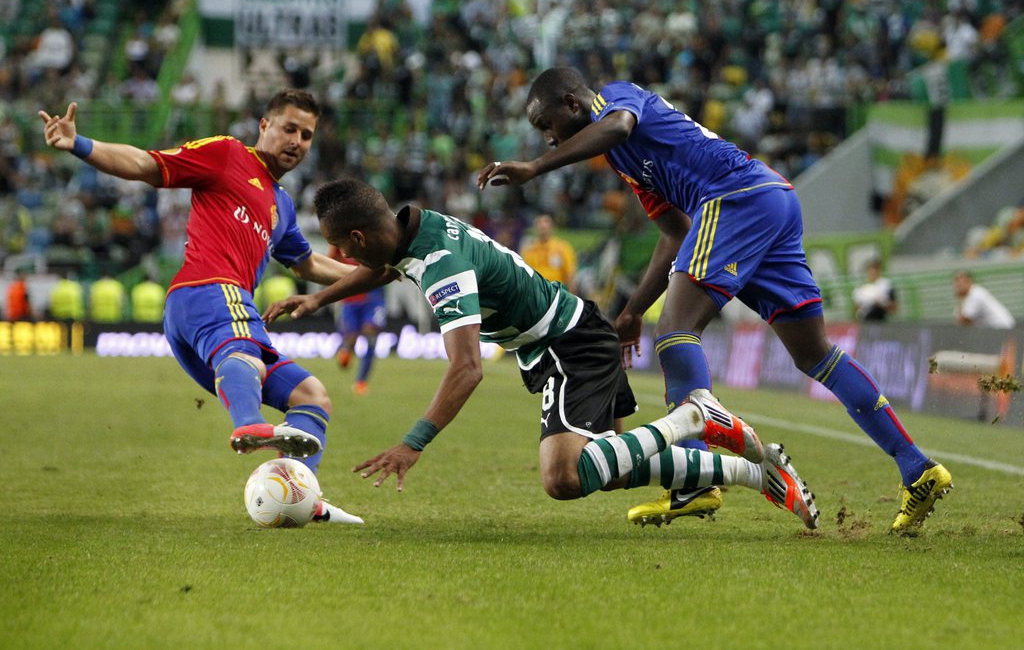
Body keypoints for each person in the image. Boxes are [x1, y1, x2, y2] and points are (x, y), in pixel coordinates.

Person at [477, 67, 952, 533]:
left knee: (678, 331)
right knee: (815, 354)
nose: (549, 140)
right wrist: (633, 310)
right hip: (770, 199)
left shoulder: (618, 101)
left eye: (547, 127)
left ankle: (695, 479)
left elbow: (617, 126)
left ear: (572, 105)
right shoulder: (627, 162)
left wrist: (536, 170)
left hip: (736, 196)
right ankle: (917, 468)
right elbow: (675, 235)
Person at [263, 177, 821, 529]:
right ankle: (755, 470)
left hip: (565, 345)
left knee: (564, 476)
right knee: (614, 464)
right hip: (566, 336)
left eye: (338, 248)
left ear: (355, 238)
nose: (338, 255)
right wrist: (320, 295)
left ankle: (693, 417)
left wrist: (413, 444)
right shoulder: (415, 227)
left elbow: (466, 368)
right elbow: (383, 268)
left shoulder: (441, 268)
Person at [39, 90, 362, 524]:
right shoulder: (227, 154)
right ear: (264, 126)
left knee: (313, 396)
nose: (298, 142)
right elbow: (146, 165)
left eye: (306, 135)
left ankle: (303, 498)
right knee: (244, 351)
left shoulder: (281, 204)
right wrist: (80, 144)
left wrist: (377, 273)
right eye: (290, 128)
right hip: (207, 291)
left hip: (214, 320)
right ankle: (248, 423)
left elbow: (307, 264)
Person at [328, 247, 386, 395]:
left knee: (371, 334)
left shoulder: (375, 232)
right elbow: (330, 262)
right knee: (351, 337)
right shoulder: (339, 238)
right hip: (351, 297)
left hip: (373, 295)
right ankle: (346, 349)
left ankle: (361, 381)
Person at [519, 213, 578, 293]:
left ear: (553, 226)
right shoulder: (528, 250)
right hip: (535, 295)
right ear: (535, 227)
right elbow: (523, 277)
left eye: (546, 222)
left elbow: (570, 275)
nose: (543, 226)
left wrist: (571, 299)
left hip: (557, 294)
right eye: (539, 222)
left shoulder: (562, 248)